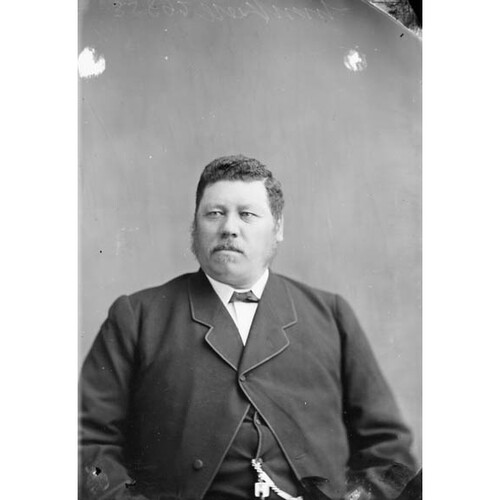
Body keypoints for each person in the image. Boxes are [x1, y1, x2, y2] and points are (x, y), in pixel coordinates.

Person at [79, 155, 418, 500]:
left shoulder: (331, 315)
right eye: (214, 213)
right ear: (195, 226)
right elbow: (88, 444)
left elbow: (387, 447)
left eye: (247, 214)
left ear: (277, 227)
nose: (229, 227)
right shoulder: (137, 317)